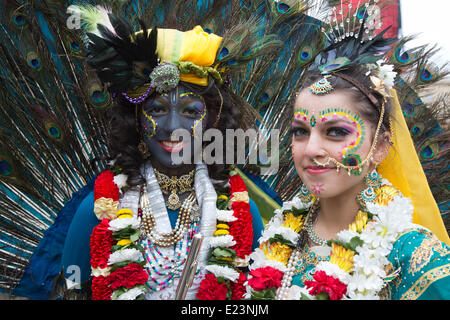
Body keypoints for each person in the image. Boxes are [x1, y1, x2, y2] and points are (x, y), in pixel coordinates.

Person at [59, 5, 276, 300]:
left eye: (190, 111)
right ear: (135, 119)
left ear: (211, 120)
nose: (173, 127)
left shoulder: (241, 212)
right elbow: (71, 292)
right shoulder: (98, 209)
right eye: (157, 109)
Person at [245, 5, 450, 300]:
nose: (312, 149)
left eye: (336, 132)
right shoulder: (277, 235)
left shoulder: (415, 258)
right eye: (300, 131)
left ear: (380, 147)